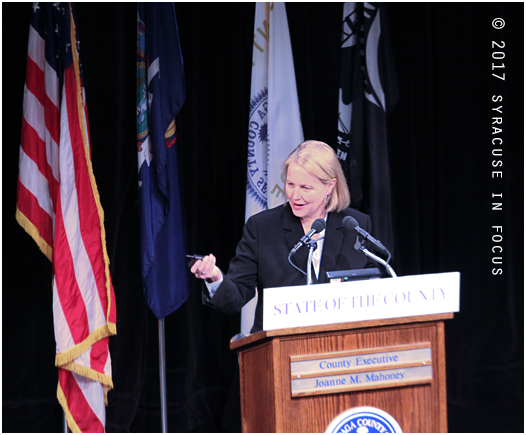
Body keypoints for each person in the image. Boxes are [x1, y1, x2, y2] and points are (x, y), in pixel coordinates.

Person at [191, 140, 375, 333]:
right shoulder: (263, 228)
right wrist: (215, 278)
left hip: (343, 344)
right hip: (277, 347)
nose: (295, 195)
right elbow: (235, 297)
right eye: (290, 184)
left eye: (305, 188)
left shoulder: (355, 225)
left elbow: (372, 286)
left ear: (329, 186)